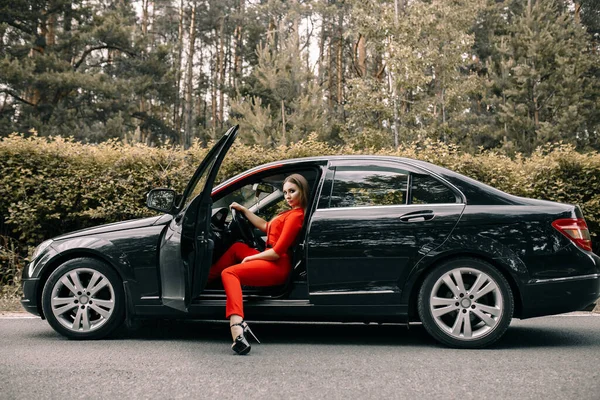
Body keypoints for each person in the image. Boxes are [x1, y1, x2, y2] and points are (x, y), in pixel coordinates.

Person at [207, 173, 309, 355]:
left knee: (229, 273)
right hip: (271, 258)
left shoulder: (296, 216)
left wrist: (252, 259)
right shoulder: (289, 213)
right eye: (285, 192)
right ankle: (205, 281)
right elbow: (266, 226)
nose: (288, 196)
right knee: (238, 247)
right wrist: (244, 210)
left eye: (292, 191)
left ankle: (237, 325)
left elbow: (277, 252)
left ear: (302, 191)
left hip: (278, 266)